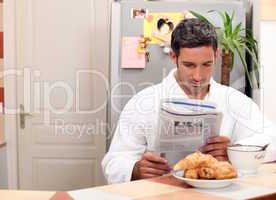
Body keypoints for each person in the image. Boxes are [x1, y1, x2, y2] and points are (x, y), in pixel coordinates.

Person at [102, 18, 276, 184]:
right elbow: (113, 161)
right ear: (173, 56)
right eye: (189, 65)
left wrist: (234, 151)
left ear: (216, 55)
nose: (198, 76)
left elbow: (272, 141)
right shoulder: (143, 102)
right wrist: (135, 169)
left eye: (207, 64)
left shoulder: (235, 101)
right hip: (161, 194)